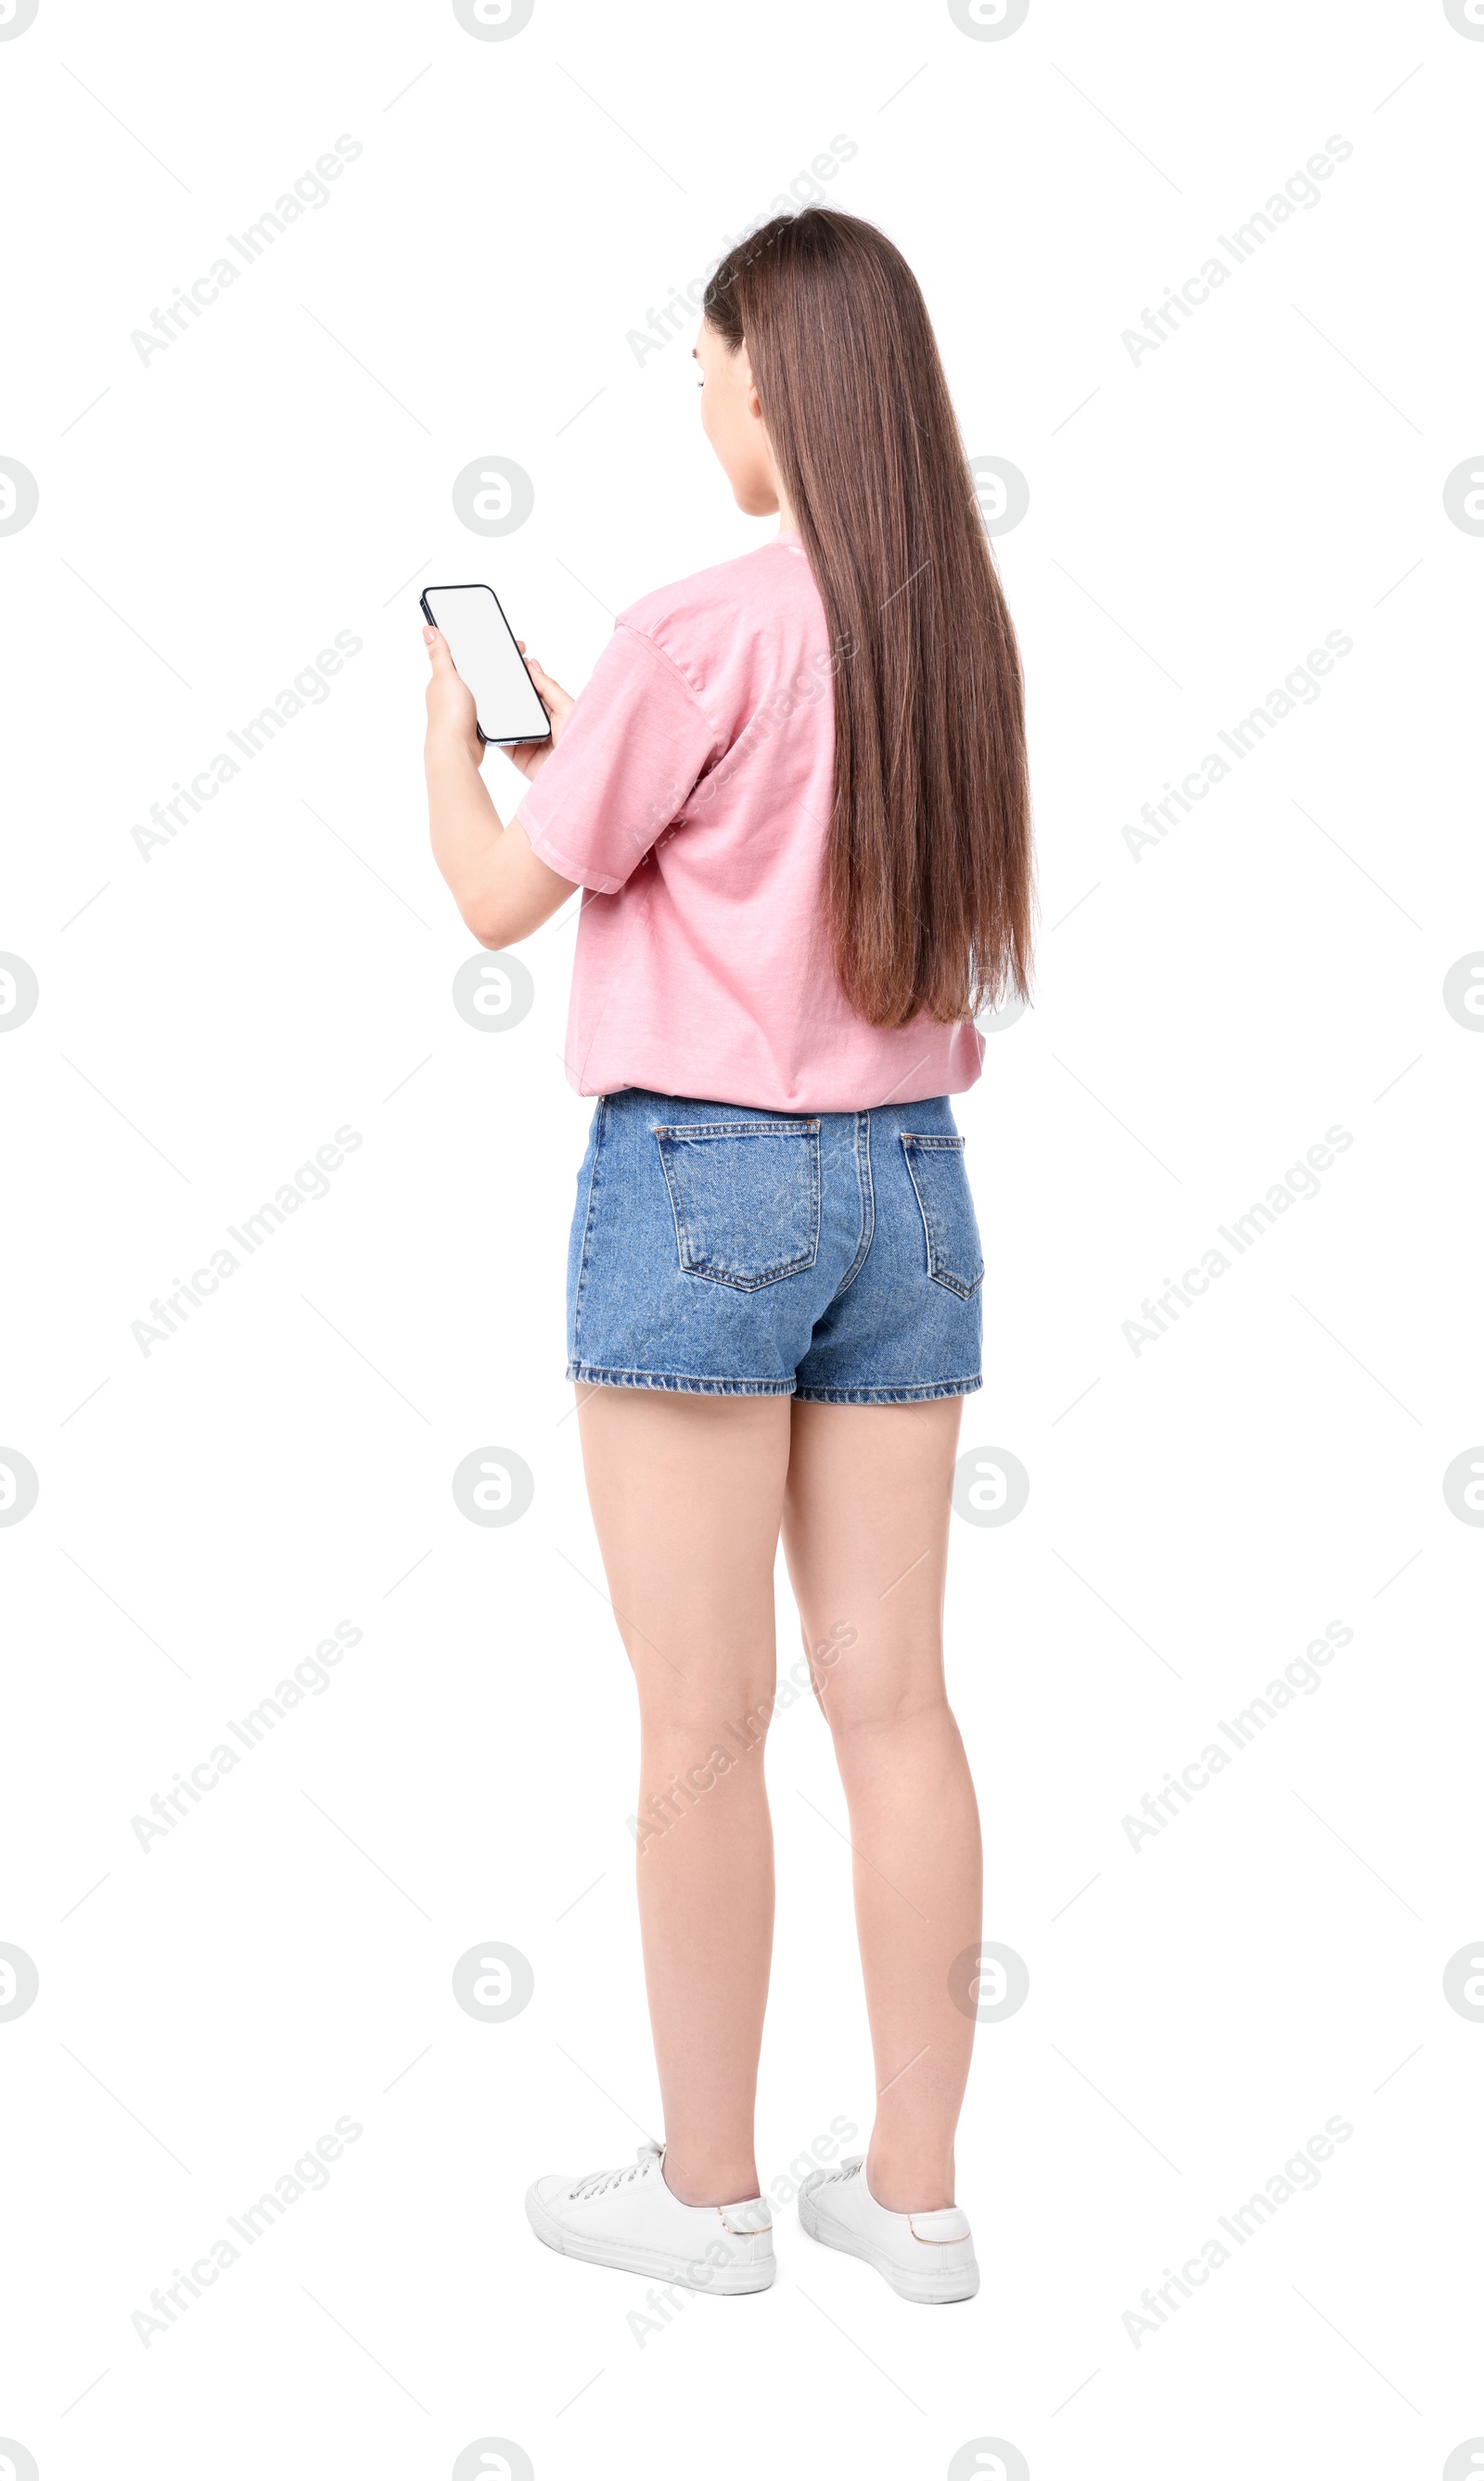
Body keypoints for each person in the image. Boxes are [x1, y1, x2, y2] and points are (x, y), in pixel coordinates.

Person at [421, 206, 1032, 2306]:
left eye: (703, 367)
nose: (697, 401)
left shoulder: (698, 627)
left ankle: (704, 2199)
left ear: (772, 375)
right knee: (895, 1706)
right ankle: (918, 2196)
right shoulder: (951, 628)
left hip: (701, 1182)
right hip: (912, 1192)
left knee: (699, 1716)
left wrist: (453, 731)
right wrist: (612, 734)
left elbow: (506, 896)